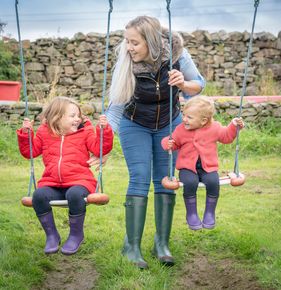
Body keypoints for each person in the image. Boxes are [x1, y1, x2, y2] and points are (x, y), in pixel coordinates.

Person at [106, 16, 205, 269]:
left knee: (165, 179)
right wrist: (102, 144)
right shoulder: (126, 61)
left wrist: (183, 82)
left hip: (168, 124)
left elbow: (198, 86)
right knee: (139, 177)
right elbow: (116, 108)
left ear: (151, 41)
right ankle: (132, 247)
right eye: (127, 41)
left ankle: (161, 244)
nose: (129, 47)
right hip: (134, 122)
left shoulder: (177, 54)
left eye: (134, 42)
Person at [17, 96, 113, 255]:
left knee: (74, 194)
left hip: (80, 182)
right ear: (57, 117)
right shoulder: (44, 133)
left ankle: (76, 235)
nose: (78, 119)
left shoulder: (85, 131)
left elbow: (100, 149)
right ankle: (52, 235)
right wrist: (25, 134)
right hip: (52, 182)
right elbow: (29, 152)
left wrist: (104, 130)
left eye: (78, 115)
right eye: (72, 116)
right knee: (39, 195)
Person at [161, 96, 244, 231]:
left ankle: (209, 213)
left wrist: (234, 126)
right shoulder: (181, 129)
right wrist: (167, 143)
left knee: (213, 182)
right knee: (190, 182)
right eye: (184, 115)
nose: (184, 119)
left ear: (203, 120)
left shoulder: (214, 128)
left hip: (208, 167)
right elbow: (173, 142)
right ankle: (191, 214)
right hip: (187, 168)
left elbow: (226, 137)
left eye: (189, 117)